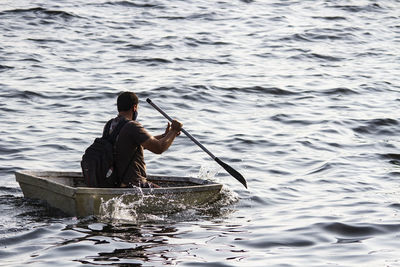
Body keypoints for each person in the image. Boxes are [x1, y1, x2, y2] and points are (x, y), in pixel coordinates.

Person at [105, 91, 182, 188]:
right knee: (172, 199)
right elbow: (159, 148)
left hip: (114, 182)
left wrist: (165, 136)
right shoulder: (132, 126)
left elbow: (133, 145)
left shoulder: (109, 125)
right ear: (134, 107)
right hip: (134, 184)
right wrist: (174, 131)